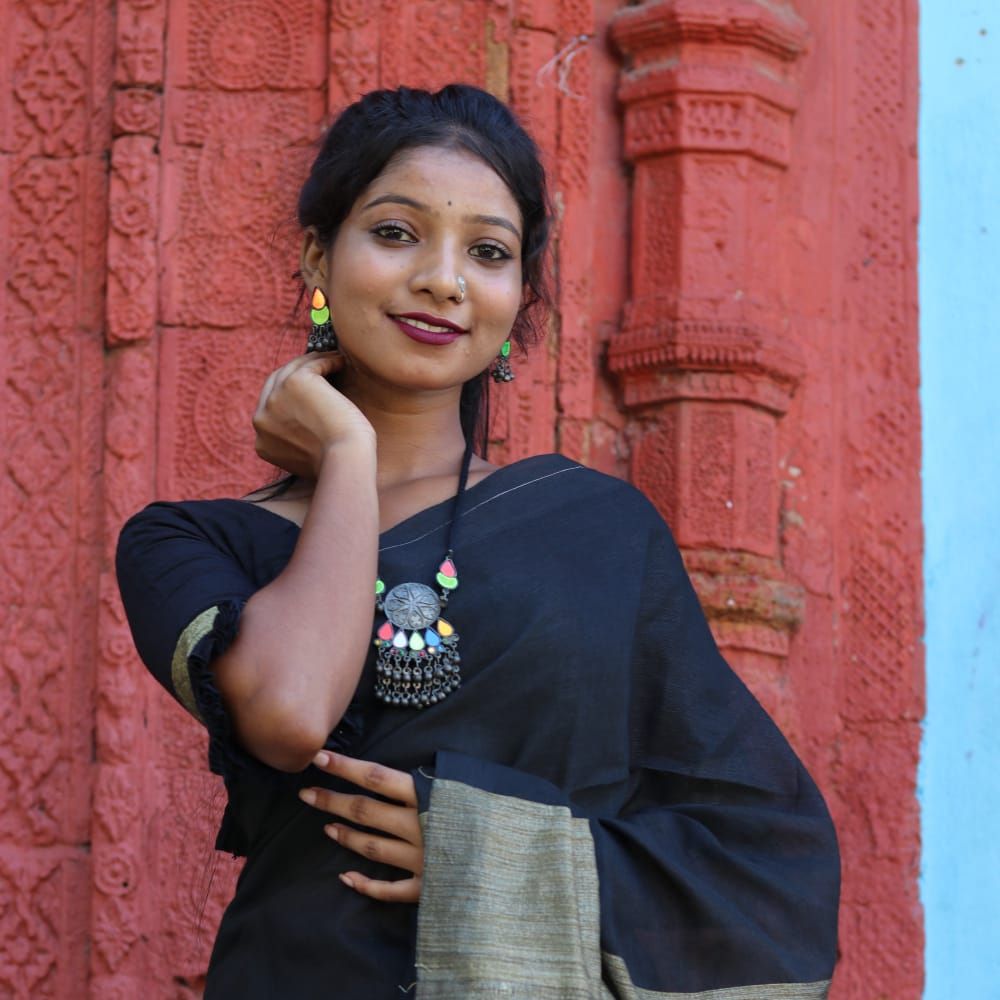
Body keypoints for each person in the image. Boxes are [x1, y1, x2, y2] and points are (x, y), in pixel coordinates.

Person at [116, 84, 840, 998]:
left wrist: (492, 855)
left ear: (516, 299)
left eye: (488, 252)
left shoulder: (599, 533)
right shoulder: (187, 541)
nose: (443, 279)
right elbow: (291, 716)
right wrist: (346, 452)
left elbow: (766, 857)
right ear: (317, 258)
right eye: (394, 233)